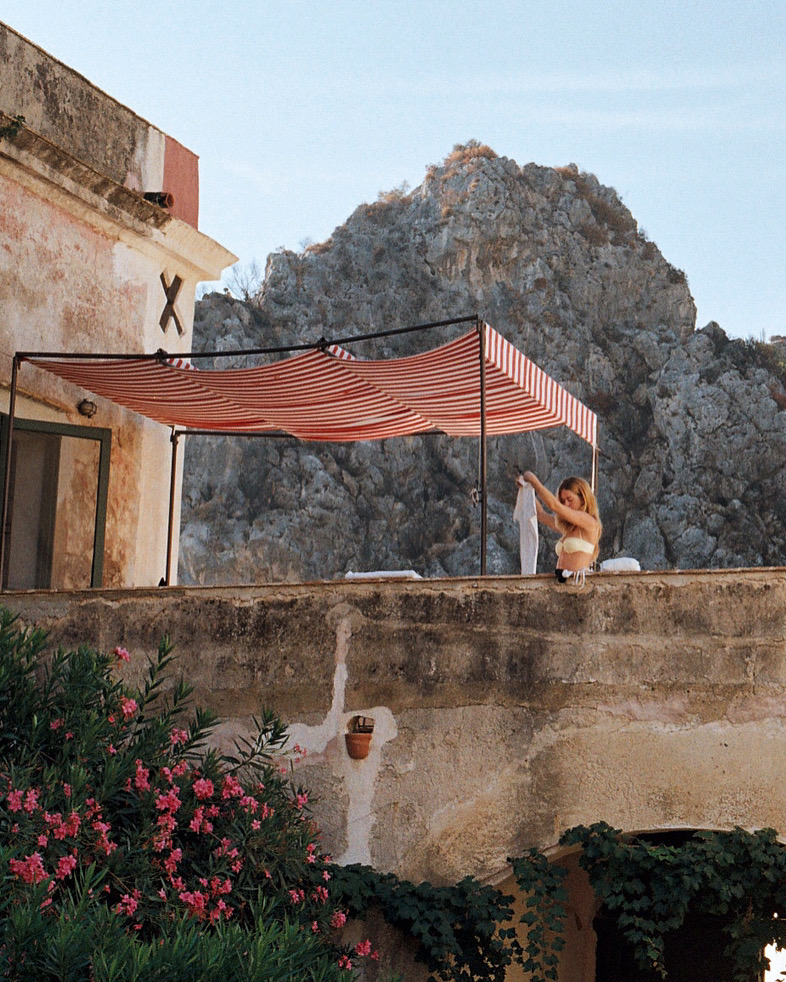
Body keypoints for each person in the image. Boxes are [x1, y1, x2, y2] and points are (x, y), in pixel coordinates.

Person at [516, 472, 601, 582]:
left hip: (575, 586)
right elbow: (541, 514)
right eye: (563, 501)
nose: (566, 505)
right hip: (559, 584)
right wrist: (526, 489)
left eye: (570, 500)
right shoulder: (568, 528)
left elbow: (554, 506)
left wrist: (535, 482)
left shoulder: (590, 522)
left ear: (583, 499)